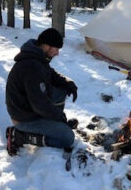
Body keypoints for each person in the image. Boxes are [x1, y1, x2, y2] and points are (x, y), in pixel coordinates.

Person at [5, 28, 78, 156]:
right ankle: (19, 136)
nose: (57, 53)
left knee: (62, 90)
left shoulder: (38, 57)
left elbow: (51, 74)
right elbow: (39, 105)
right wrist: (59, 116)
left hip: (30, 107)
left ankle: (54, 125)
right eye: (56, 49)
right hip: (24, 118)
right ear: (46, 46)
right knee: (67, 137)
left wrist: (68, 83)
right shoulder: (32, 67)